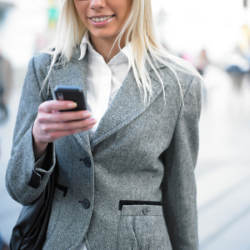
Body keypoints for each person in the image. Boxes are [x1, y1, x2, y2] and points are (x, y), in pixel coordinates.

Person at [6, 0, 202, 249]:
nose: (96, 4)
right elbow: (19, 191)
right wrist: (37, 141)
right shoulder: (45, 69)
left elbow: (181, 195)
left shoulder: (180, 83)